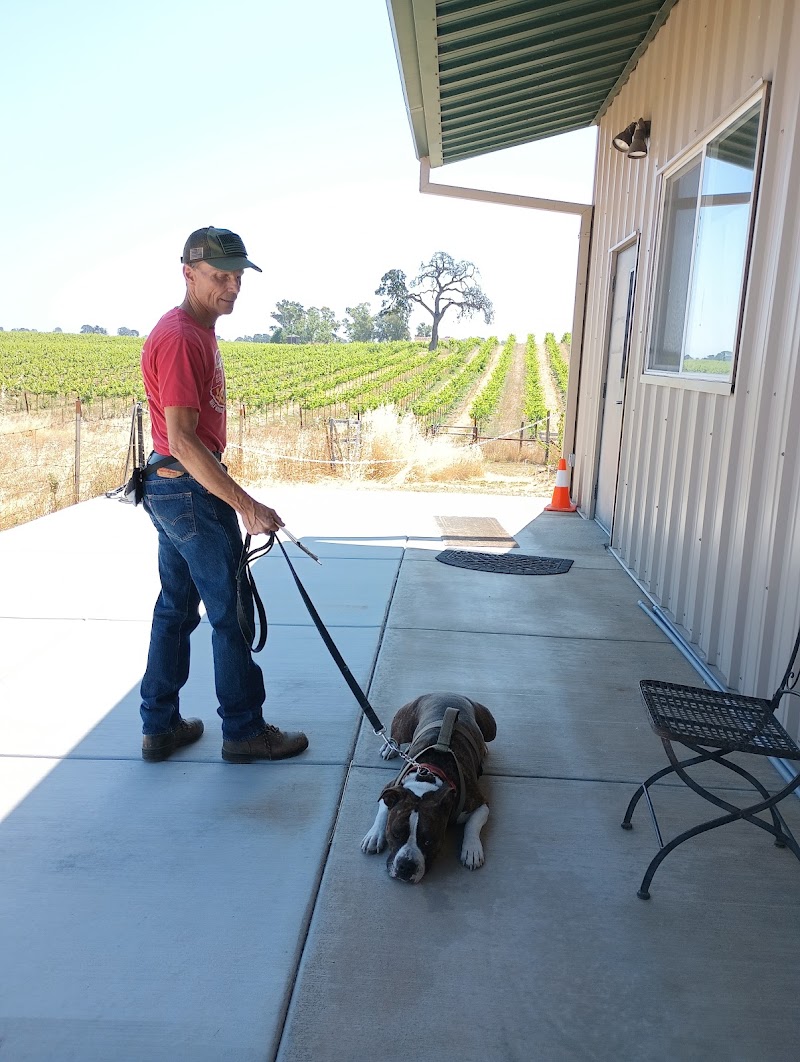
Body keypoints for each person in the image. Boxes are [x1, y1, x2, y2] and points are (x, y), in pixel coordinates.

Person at [138, 225, 308, 763]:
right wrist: (247, 506)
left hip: (171, 489)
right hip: (188, 491)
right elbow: (185, 441)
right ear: (188, 273)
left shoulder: (194, 330)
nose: (231, 287)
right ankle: (243, 731)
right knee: (230, 613)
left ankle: (159, 725)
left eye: (237, 276)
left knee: (175, 609)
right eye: (219, 277)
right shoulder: (183, 337)